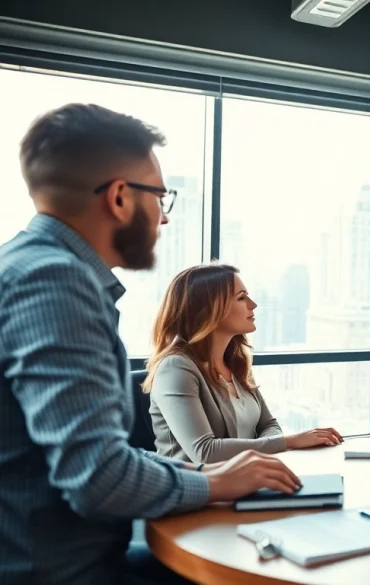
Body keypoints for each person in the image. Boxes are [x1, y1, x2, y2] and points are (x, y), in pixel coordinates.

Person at [0, 103, 302, 585]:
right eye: (160, 197)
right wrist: (211, 481)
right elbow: (96, 478)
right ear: (119, 198)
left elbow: (92, 455)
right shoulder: (56, 283)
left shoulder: (26, 267)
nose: (163, 218)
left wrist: (205, 474)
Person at [145, 264, 343, 464]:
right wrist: (291, 441)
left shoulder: (236, 363)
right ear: (210, 309)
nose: (253, 304)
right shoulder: (175, 368)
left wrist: (273, 446)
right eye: (241, 298)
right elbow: (205, 452)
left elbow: (269, 424)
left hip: (243, 482)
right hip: (195, 490)